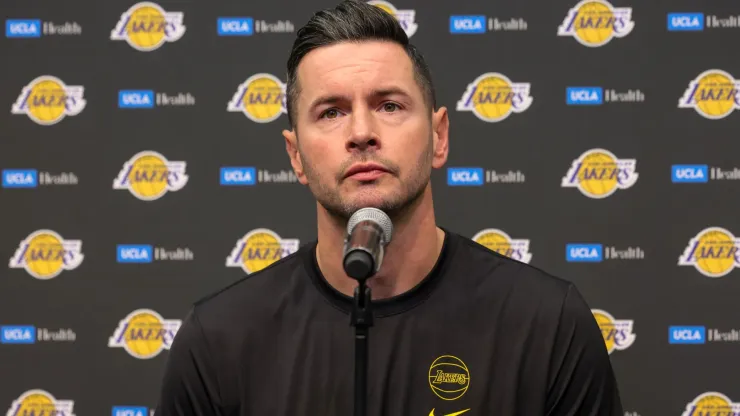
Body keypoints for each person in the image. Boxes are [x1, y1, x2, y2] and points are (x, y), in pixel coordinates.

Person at [154, 0, 624, 414]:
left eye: (390, 106)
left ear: (438, 137)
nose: (361, 131)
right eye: (331, 112)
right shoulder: (218, 341)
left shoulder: (547, 324)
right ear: (295, 156)